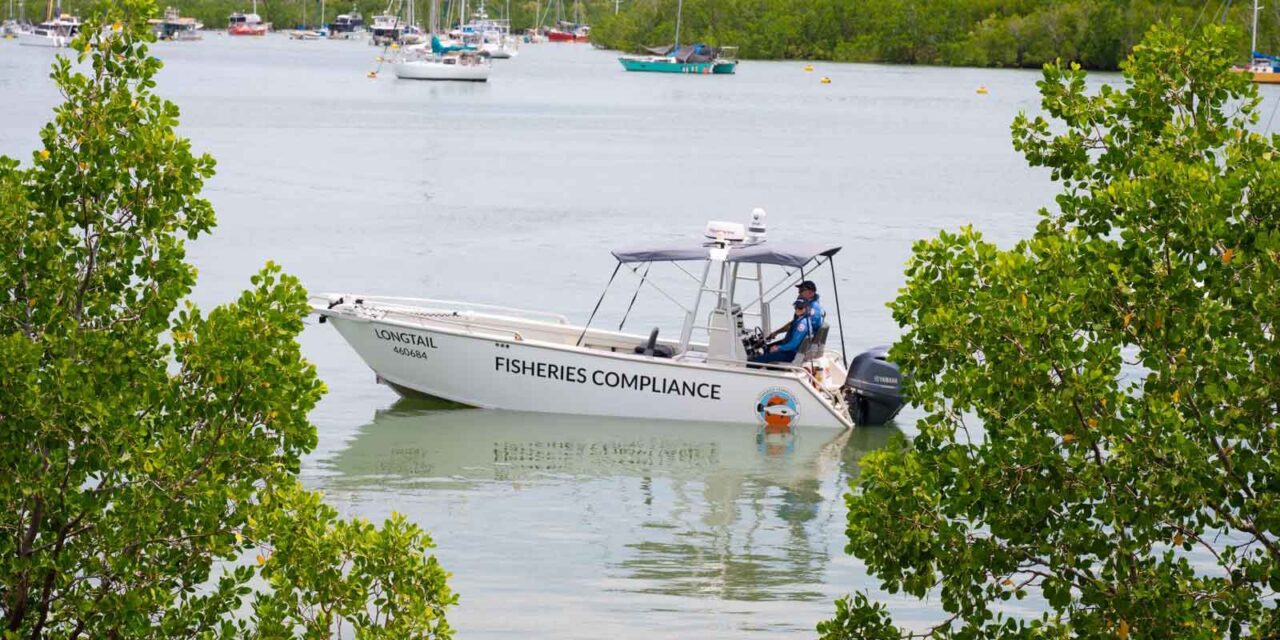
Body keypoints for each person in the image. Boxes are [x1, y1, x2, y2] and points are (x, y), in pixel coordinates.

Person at [750, 299, 812, 364]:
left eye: (800, 308)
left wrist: (778, 348)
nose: (797, 309)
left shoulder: (802, 325)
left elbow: (793, 344)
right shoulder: (800, 320)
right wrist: (776, 333)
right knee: (766, 349)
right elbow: (790, 327)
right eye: (796, 307)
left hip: (791, 354)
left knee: (757, 360)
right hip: (790, 351)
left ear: (806, 309)